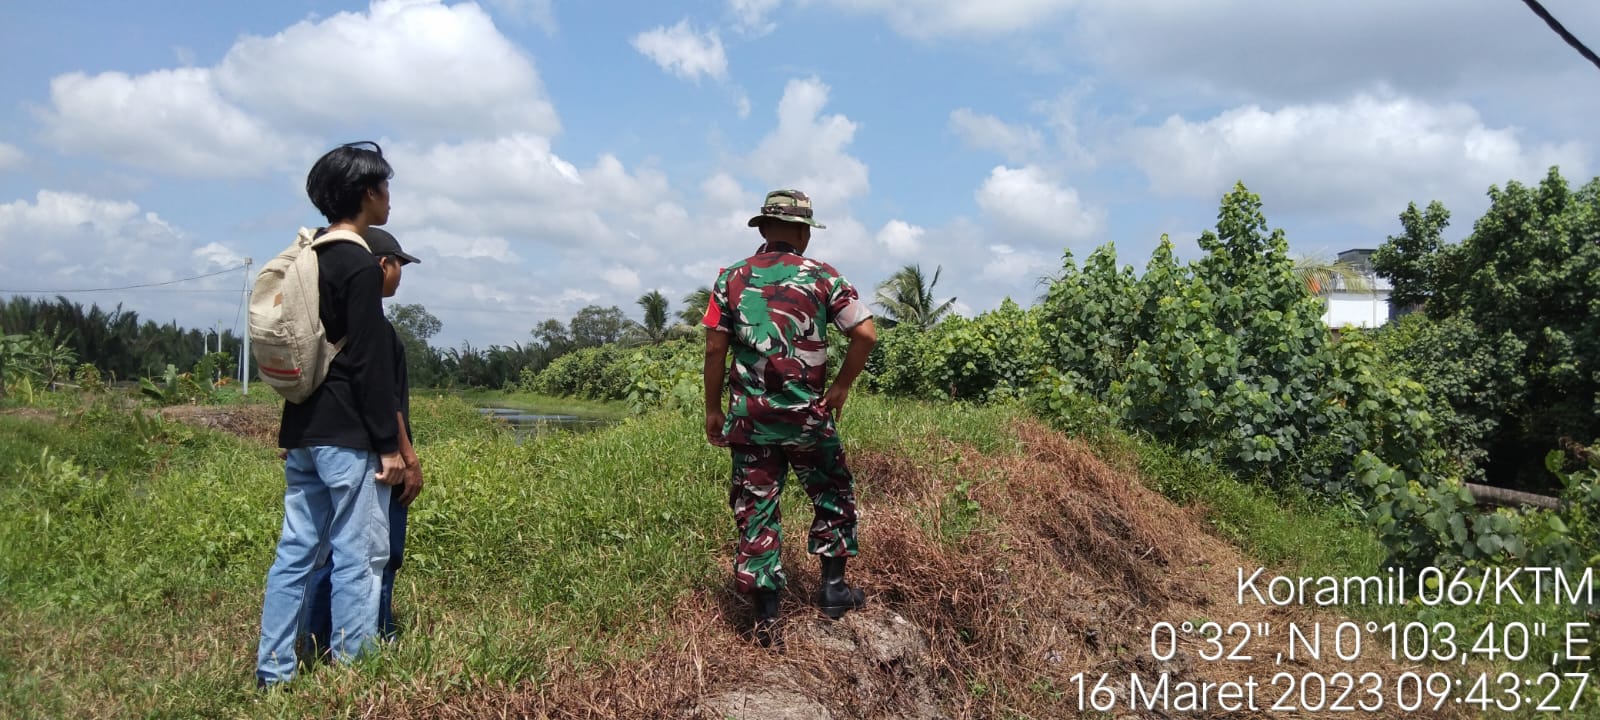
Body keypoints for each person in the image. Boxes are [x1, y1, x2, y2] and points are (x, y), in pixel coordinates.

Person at [256, 142, 408, 689]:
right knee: (359, 557)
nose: (389, 199)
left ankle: (273, 674)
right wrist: (388, 447)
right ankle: (351, 675)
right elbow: (368, 364)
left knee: (294, 555)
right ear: (368, 194)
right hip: (348, 437)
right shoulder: (359, 264)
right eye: (385, 188)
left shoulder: (307, 257)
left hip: (303, 430)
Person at [702, 189, 878, 647]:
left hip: (750, 421)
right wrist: (839, 388)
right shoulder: (823, 277)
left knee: (757, 507)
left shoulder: (730, 279)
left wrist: (713, 409)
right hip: (807, 418)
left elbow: (715, 348)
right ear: (803, 233)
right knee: (833, 493)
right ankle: (834, 591)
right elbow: (865, 334)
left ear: (762, 228)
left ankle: (766, 622)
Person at [303, 227, 424, 657]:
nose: (399, 275)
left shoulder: (336, 321)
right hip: (372, 454)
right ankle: (373, 636)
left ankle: (313, 642)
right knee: (377, 553)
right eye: (398, 265)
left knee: (326, 551)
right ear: (380, 265)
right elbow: (386, 398)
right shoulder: (375, 329)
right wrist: (407, 457)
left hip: (334, 446)